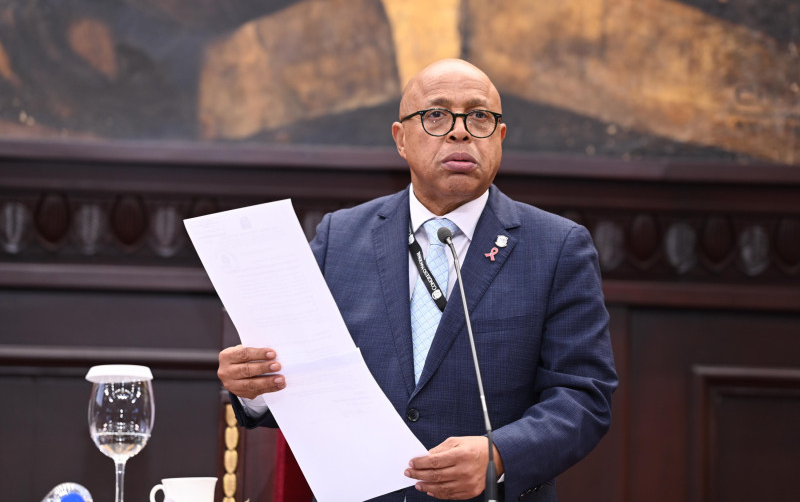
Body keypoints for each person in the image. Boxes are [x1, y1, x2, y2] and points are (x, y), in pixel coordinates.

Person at [218, 59, 617, 501]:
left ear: (500, 137)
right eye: (436, 115)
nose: (460, 132)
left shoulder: (557, 247)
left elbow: (584, 396)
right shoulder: (340, 238)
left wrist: (500, 455)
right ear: (401, 139)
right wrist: (254, 388)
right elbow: (300, 375)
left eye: (479, 116)